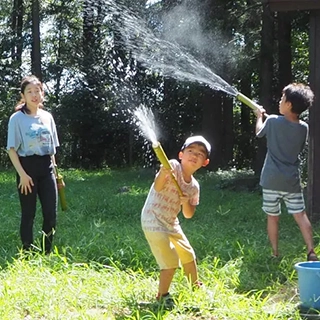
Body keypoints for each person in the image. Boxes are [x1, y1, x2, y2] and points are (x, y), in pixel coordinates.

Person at [141, 135, 211, 306]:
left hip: (171, 222)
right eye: (190, 151)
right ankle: (162, 295)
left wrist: (186, 201)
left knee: (188, 254)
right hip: (153, 219)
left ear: (205, 162)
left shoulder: (194, 187)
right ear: (181, 155)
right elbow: (158, 187)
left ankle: (195, 286)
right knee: (171, 261)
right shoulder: (172, 166)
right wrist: (163, 174)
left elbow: (188, 214)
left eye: (200, 154)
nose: (194, 155)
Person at [255, 83, 318, 261]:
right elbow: (297, 148)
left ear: (289, 104)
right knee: (300, 215)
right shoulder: (303, 127)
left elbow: (259, 132)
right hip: (291, 181)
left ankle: (275, 253)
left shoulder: (273, 120)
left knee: (272, 217)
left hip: (271, 180)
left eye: (283, 99)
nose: (280, 101)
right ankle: (311, 251)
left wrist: (259, 117)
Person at [6, 75, 60, 254]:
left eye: (37, 91)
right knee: (28, 213)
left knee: (51, 214)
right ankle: (27, 250)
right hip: (27, 168)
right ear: (23, 96)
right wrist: (22, 175)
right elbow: (11, 149)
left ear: (42, 94)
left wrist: (57, 175)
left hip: (47, 169)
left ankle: (47, 251)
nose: (34, 95)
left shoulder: (47, 117)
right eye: (29, 91)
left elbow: (52, 150)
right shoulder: (17, 119)